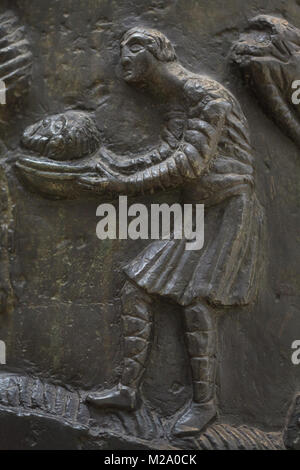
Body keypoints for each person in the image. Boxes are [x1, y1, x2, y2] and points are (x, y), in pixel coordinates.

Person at [77, 27, 264, 437]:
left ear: (156, 51)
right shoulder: (178, 101)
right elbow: (169, 152)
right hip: (199, 210)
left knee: (196, 301)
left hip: (227, 208)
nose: (123, 62)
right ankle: (128, 389)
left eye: (131, 52)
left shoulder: (206, 95)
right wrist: (118, 168)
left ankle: (206, 404)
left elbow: (189, 165)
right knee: (136, 285)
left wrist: (119, 186)